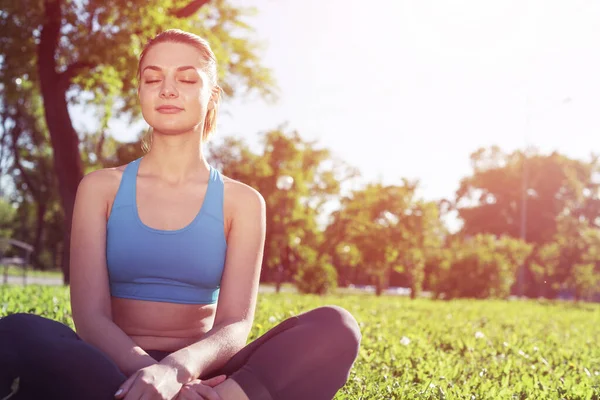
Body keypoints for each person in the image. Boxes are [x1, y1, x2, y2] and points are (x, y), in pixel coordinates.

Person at [0, 29, 361, 400]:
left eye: (187, 79)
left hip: (201, 371)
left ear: (212, 96)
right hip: (109, 367)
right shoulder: (99, 188)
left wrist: (176, 371)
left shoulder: (244, 202)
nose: (167, 89)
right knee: (16, 330)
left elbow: (235, 324)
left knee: (336, 327)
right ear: (139, 92)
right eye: (153, 79)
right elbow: (90, 318)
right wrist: (152, 376)